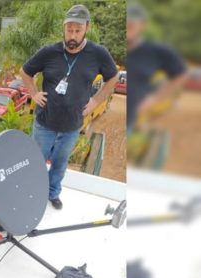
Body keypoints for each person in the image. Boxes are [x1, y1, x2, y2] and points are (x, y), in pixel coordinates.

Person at [20, 4, 119, 209]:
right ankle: (31, 192)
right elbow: (25, 71)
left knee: (60, 164)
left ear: (86, 29)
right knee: (36, 162)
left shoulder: (98, 54)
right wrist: (33, 93)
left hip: (72, 125)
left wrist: (95, 101)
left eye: (77, 30)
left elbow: (113, 78)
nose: (72, 35)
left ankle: (52, 192)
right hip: (45, 123)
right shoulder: (49, 52)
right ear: (63, 29)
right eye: (69, 30)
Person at [127, 1, 187, 131]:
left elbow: (180, 73)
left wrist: (154, 99)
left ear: (143, 25)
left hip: (134, 121)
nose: (127, 28)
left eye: (131, 25)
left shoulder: (156, 50)